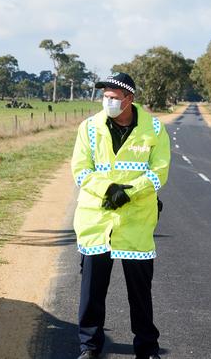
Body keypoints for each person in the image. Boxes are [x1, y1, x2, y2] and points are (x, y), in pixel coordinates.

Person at [71, 72, 171, 359]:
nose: (108, 101)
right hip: (96, 220)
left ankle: (147, 348)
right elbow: (81, 170)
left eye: (114, 96)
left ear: (129, 99)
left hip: (136, 221)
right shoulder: (88, 128)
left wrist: (129, 191)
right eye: (105, 96)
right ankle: (89, 347)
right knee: (92, 292)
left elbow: (159, 172)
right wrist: (109, 189)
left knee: (140, 293)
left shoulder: (154, 129)